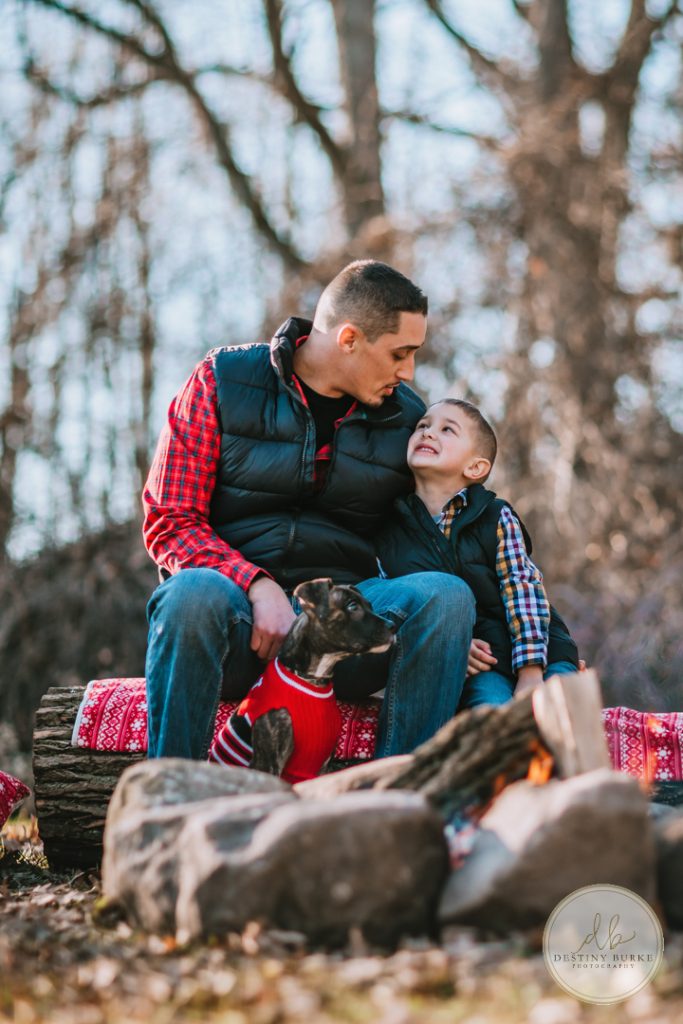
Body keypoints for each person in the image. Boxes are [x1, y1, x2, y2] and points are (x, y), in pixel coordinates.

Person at [142, 261, 476, 761]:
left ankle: (402, 810)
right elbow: (170, 519)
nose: (407, 372)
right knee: (188, 593)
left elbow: (464, 530)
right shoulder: (222, 380)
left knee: (446, 596)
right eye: (399, 354)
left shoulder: (407, 419)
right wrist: (256, 584)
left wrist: (533, 646)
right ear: (348, 339)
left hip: (348, 633)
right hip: (236, 626)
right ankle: (167, 807)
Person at [376, 398, 579, 705]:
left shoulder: (495, 516)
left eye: (447, 429)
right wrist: (452, 641)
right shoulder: (391, 529)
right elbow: (399, 607)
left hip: (541, 651)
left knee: (560, 708)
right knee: (491, 713)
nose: (428, 433)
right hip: (486, 662)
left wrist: (531, 673)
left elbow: (522, 588)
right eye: (423, 426)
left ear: (475, 467)